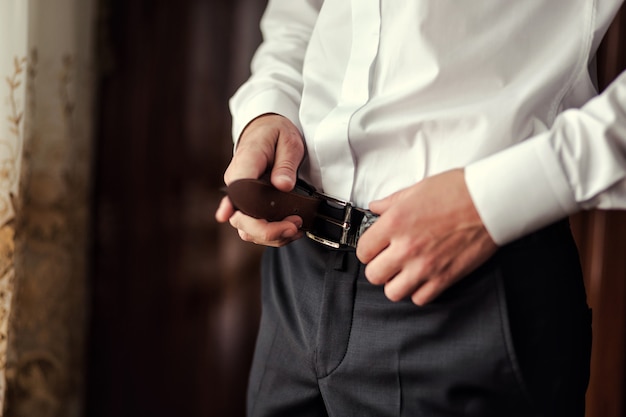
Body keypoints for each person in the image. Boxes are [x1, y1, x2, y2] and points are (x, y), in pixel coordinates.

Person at [216, 1, 626, 416]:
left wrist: (489, 203)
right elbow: (301, 13)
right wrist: (268, 108)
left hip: (469, 291)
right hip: (295, 275)